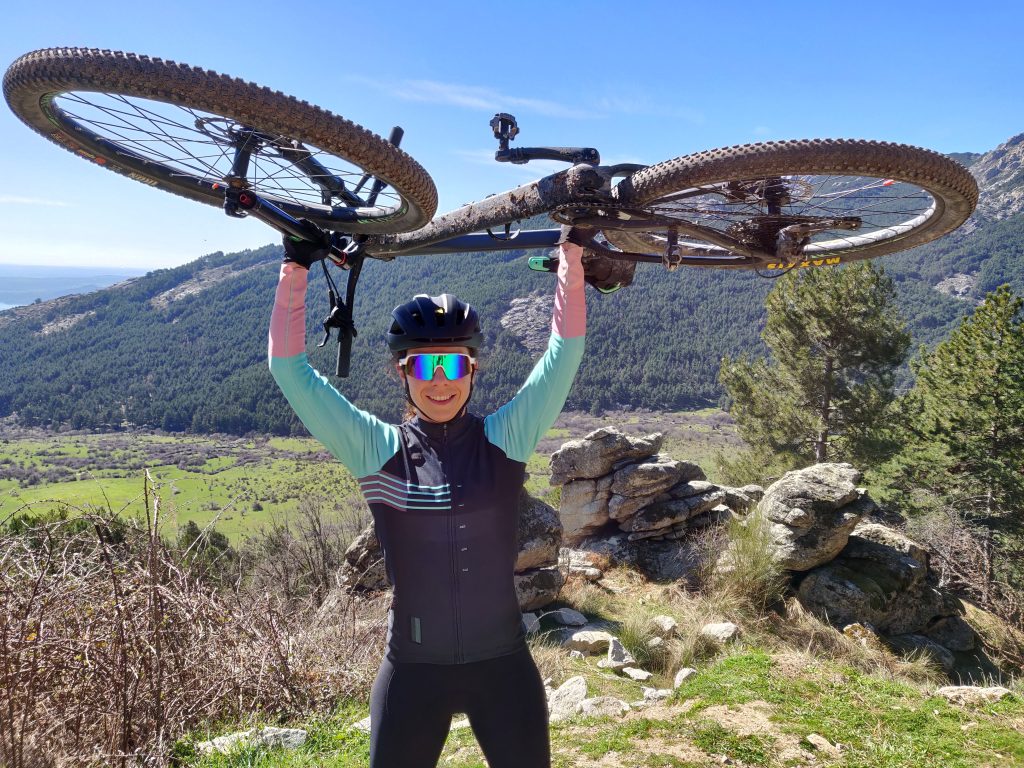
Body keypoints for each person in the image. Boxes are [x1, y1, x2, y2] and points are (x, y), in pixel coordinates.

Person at [267, 227, 589, 768]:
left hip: (504, 667)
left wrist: (572, 261)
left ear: (474, 368)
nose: (440, 382)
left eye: (454, 364)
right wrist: (294, 269)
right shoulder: (376, 448)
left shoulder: (505, 440)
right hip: (413, 673)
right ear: (402, 371)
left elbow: (563, 354)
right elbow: (289, 370)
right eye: (424, 365)